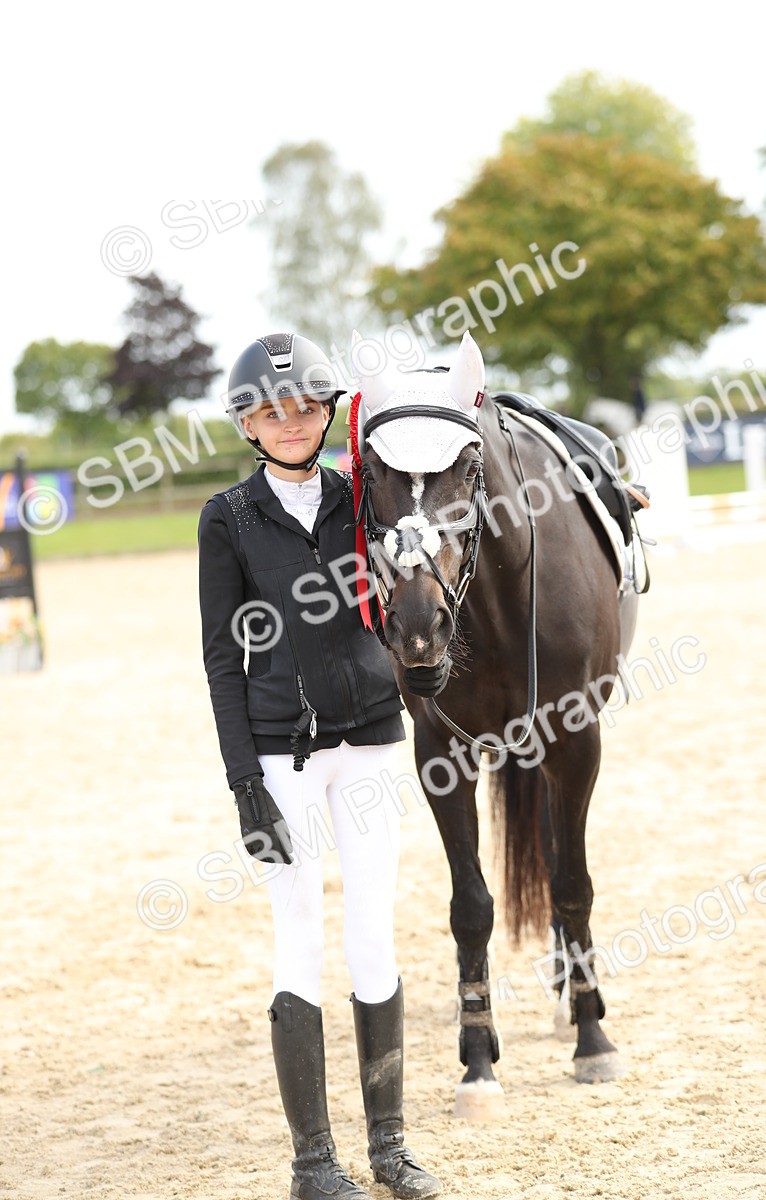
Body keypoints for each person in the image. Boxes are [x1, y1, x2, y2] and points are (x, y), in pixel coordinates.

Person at [198, 332, 443, 1200]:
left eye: (304, 405)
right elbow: (223, 663)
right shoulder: (226, 519)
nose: (291, 421)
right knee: (298, 940)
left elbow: (425, 578)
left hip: (374, 742)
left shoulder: (365, 498)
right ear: (248, 424)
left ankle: (390, 1147)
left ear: (329, 410)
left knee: (373, 934)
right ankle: (313, 1163)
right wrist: (243, 788)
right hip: (282, 757)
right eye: (270, 410)